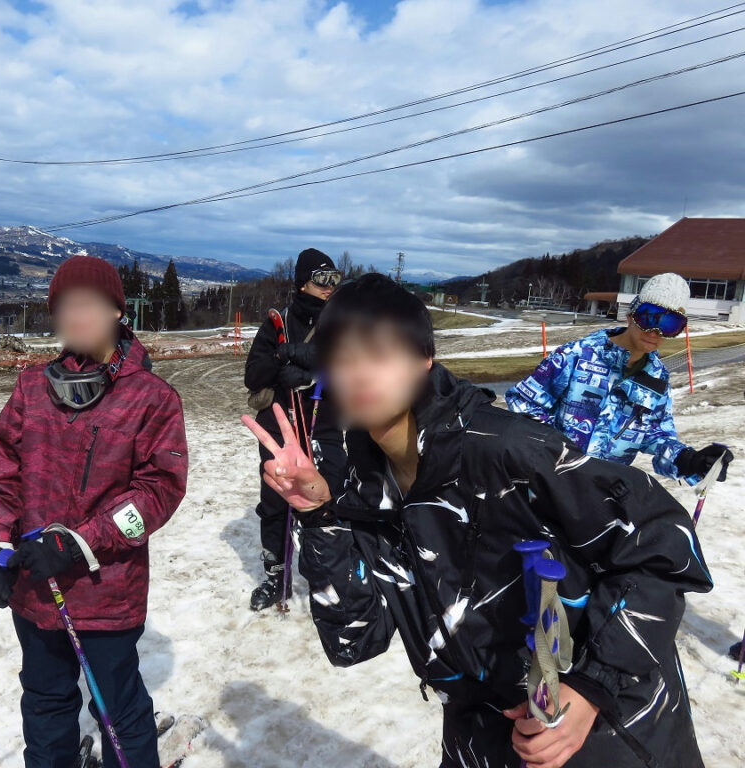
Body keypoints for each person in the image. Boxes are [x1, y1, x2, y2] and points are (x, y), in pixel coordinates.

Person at [243, 274, 712, 768]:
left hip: (605, 728)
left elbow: (664, 547)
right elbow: (353, 641)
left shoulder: (510, 452)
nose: (357, 373)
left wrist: (592, 689)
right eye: (340, 358)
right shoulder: (363, 493)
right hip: (483, 736)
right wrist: (318, 517)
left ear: (424, 359)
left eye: (379, 353)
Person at [0, 255, 188, 768]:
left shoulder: (152, 399)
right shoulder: (30, 387)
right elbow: (6, 475)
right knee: (45, 706)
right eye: (66, 306)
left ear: (118, 310)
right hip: (34, 590)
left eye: (89, 304)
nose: (77, 317)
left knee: (118, 713)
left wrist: (80, 541)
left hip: (106, 594)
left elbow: (159, 492)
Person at [506, 272, 734, 486]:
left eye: (669, 324)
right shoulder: (576, 355)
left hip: (601, 492)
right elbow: (523, 401)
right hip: (547, 481)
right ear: (631, 315)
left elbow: (655, 434)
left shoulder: (657, 378)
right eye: (648, 317)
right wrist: (552, 449)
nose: (655, 331)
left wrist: (690, 460)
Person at [243, 248, 347, 611]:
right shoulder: (278, 322)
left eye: (335, 278)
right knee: (275, 503)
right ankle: (276, 576)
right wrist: (280, 360)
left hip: (325, 424)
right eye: (322, 279)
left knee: (326, 498)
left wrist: (310, 367)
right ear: (303, 282)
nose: (329, 287)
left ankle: (329, 575)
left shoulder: (343, 322)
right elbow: (252, 375)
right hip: (280, 426)